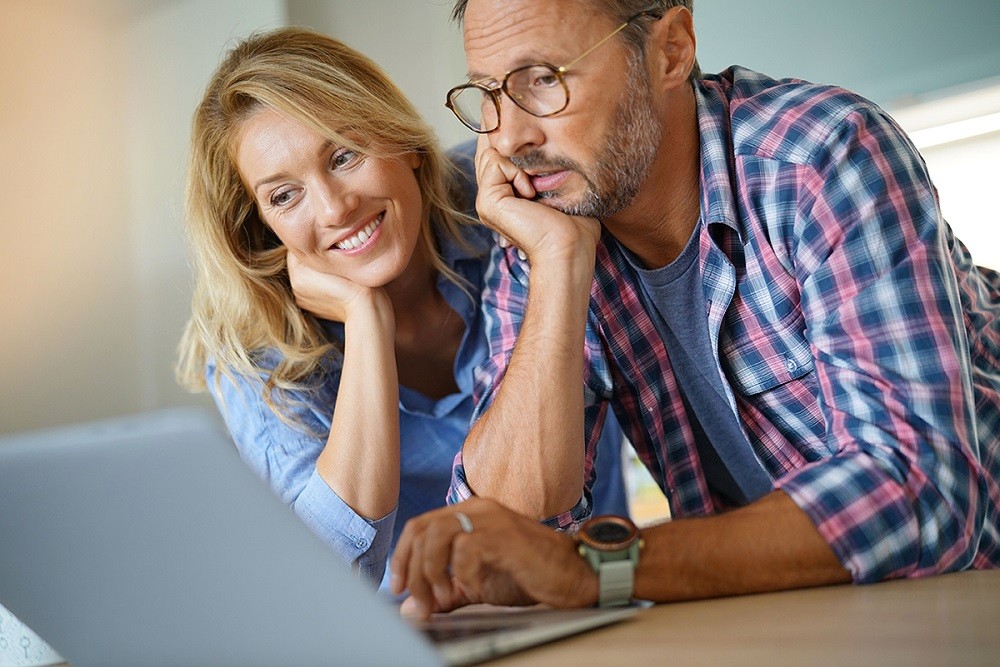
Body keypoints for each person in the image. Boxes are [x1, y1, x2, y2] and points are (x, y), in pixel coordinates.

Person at [390, 0, 1000, 614]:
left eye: (544, 80)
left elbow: (924, 493)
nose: (508, 137)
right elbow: (504, 528)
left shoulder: (818, 156)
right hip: (800, 619)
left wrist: (601, 568)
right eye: (489, 94)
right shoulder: (549, 222)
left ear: (671, 50)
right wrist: (557, 265)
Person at [175, 27, 629, 592]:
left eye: (344, 155)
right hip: (417, 636)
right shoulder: (256, 351)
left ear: (405, 141)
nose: (336, 208)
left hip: (594, 586)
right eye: (284, 195)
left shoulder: (509, 198)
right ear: (260, 226)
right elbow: (330, 579)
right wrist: (365, 319)